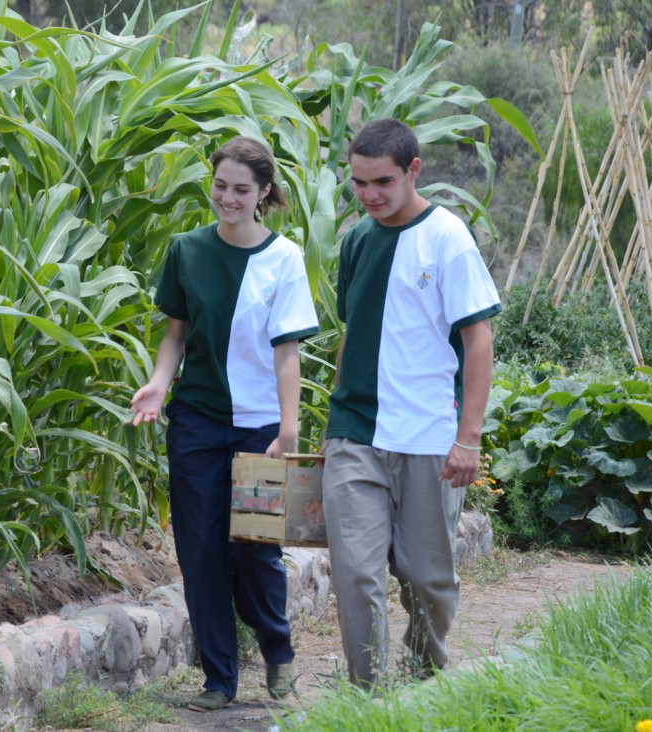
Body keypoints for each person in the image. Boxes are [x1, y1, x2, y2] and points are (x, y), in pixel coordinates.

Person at [131, 136, 319, 712]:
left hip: (260, 427)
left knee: (254, 550)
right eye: (220, 186)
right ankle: (218, 680)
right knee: (200, 550)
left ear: (264, 192)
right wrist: (160, 384)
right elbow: (175, 335)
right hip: (196, 423)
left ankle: (277, 650)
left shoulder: (283, 258)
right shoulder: (187, 250)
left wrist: (288, 431)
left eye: (241, 189)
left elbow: (288, 353)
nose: (227, 199)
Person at [322, 117, 501, 688]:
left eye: (383, 182)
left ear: (413, 170)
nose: (370, 195)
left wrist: (467, 438)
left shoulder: (447, 237)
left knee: (427, 580)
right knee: (355, 575)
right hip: (354, 432)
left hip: (427, 434)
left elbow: (478, 341)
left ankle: (426, 681)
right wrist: (334, 406)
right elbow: (355, 329)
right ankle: (366, 699)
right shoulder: (355, 241)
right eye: (359, 183)